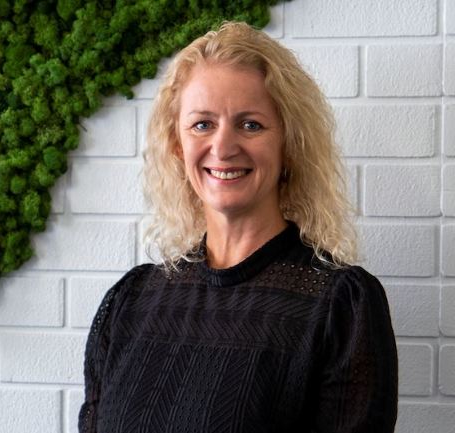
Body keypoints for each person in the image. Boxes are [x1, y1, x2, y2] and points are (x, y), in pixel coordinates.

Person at [79, 21, 398, 433]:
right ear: (177, 145)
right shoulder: (130, 302)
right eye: (202, 124)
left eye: (250, 125)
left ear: (289, 144)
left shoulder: (339, 307)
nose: (224, 147)